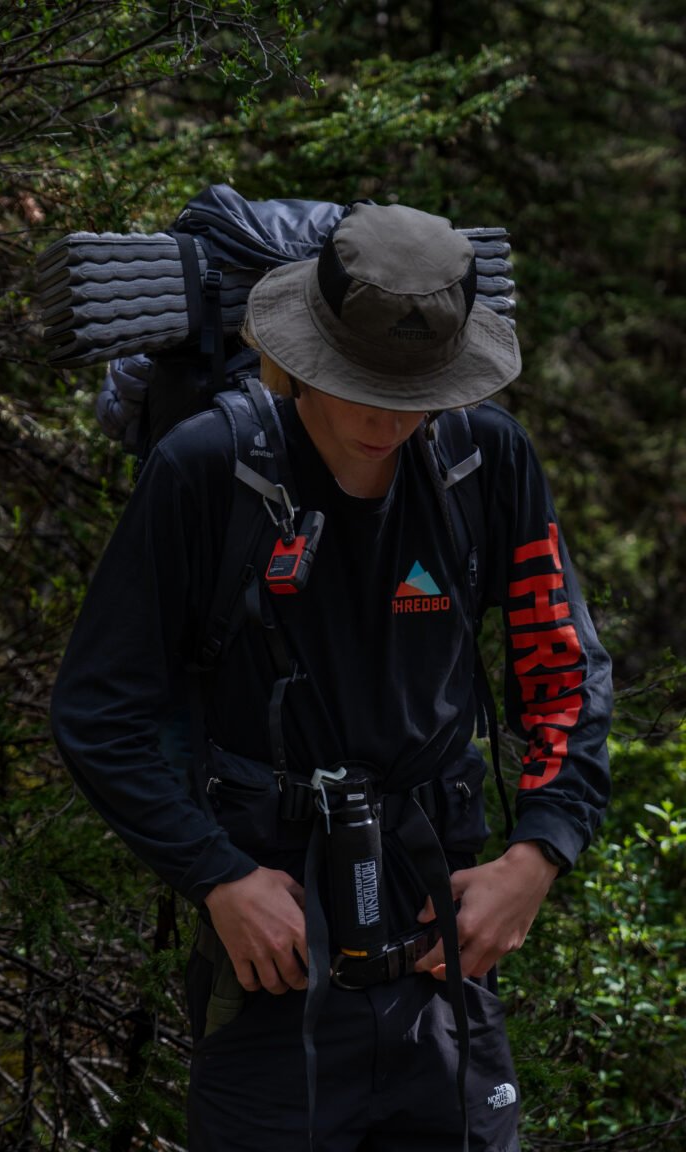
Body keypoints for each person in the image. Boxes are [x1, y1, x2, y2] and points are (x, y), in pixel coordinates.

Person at [51, 202, 613, 1151]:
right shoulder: (212, 468)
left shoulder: (487, 459)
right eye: (361, 384)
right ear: (303, 351)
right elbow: (98, 708)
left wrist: (537, 855)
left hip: (443, 959)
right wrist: (219, 877)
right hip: (275, 962)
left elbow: (563, 671)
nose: (388, 418)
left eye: (418, 390)